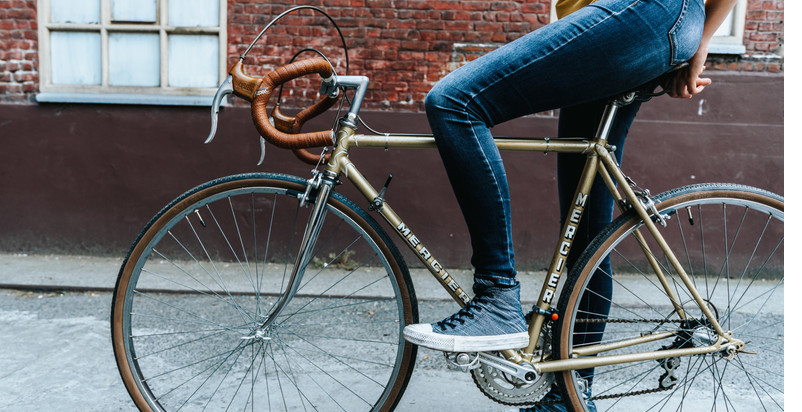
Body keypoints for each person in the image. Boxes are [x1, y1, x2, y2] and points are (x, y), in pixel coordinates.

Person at [402, 0, 738, 410]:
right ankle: (570, 397)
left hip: (641, 13)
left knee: (455, 102)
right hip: (630, 21)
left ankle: (496, 300)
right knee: (585, 240)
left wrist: (701, 43)